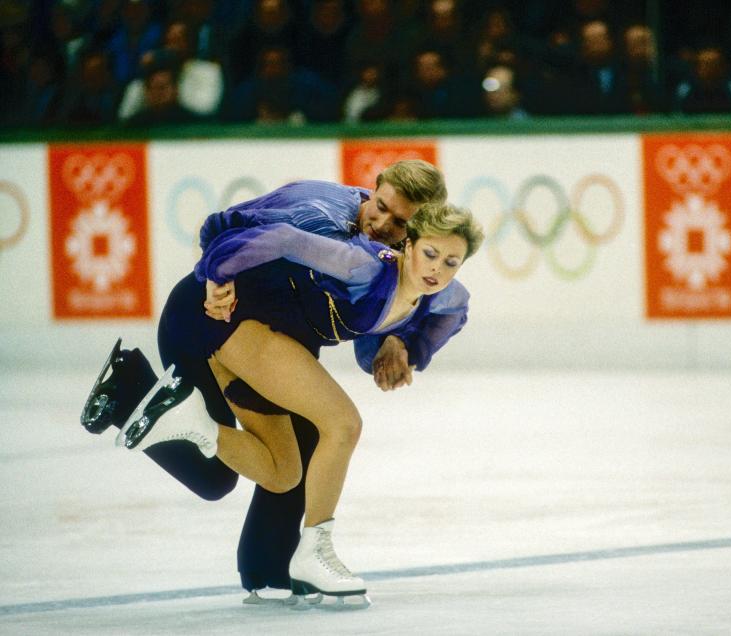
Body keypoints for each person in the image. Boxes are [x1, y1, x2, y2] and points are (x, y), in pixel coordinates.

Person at [81, 160, 455, 594]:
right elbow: (221, 224)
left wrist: (400, 342)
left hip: (269, 332)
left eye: (399, 222)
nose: (382, 222)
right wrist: (214, 277)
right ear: (374, 188)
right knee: (214, 478)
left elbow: (384, 306)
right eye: (381, 206)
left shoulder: (400, 256)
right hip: (211, 319)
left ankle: (269, 567)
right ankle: (128, 389)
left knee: (303, 446)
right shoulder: (314, 212)